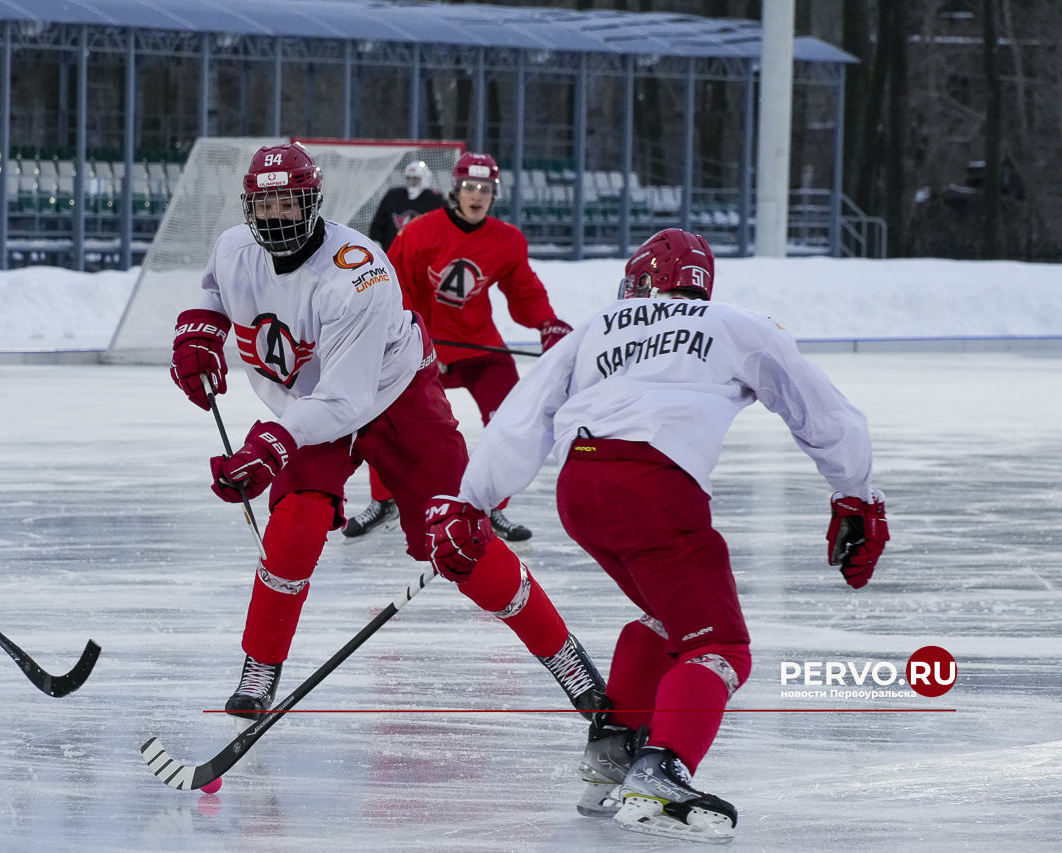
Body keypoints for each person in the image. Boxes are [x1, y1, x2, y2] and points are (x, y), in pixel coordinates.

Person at [430, 228, 888, 844]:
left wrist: (472, 502)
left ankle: (615, 753)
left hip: (581, 488)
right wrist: (855, 491)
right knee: (720, 646)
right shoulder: (734, 324)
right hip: (653, 487)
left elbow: (523, 415)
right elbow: (817, 407)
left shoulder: (598, 326)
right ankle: (661, 770)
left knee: (669, 618)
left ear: (641, 280)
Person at [168, 142, 606, 728]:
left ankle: (565, 658)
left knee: (459, 544)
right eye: (264, 203)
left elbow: (347, 400)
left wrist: (270, 445)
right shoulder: (233, 247)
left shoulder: (357, 272)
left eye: (288, 202)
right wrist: (197, 335)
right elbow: (216, 292)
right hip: (309, 404)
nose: (275, 216)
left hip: (394, 397)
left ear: (313, 202)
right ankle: (259, 666)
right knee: (293, 529)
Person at [343, 152, 573, 546]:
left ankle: (491, 505)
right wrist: (413, 340)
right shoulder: (417, 234)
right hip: (424, 347)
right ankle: (384, 502)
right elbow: (396, 291)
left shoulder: (507, 239)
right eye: (470, 187)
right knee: (386, 416)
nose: (477, 196)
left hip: (479, 346)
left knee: (510, 420)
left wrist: (546, 322)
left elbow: (524, 292)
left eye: (486, 189)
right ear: (455, 189)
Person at [368, 160, 445, 253]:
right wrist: (376, 241)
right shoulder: (393, 196)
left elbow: (443, 229)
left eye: (416, 179)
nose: (412, 183)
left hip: (423, 256)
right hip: (393, 254)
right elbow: (378, 223)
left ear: (425, 178)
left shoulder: (436, 200)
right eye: (409, 179)